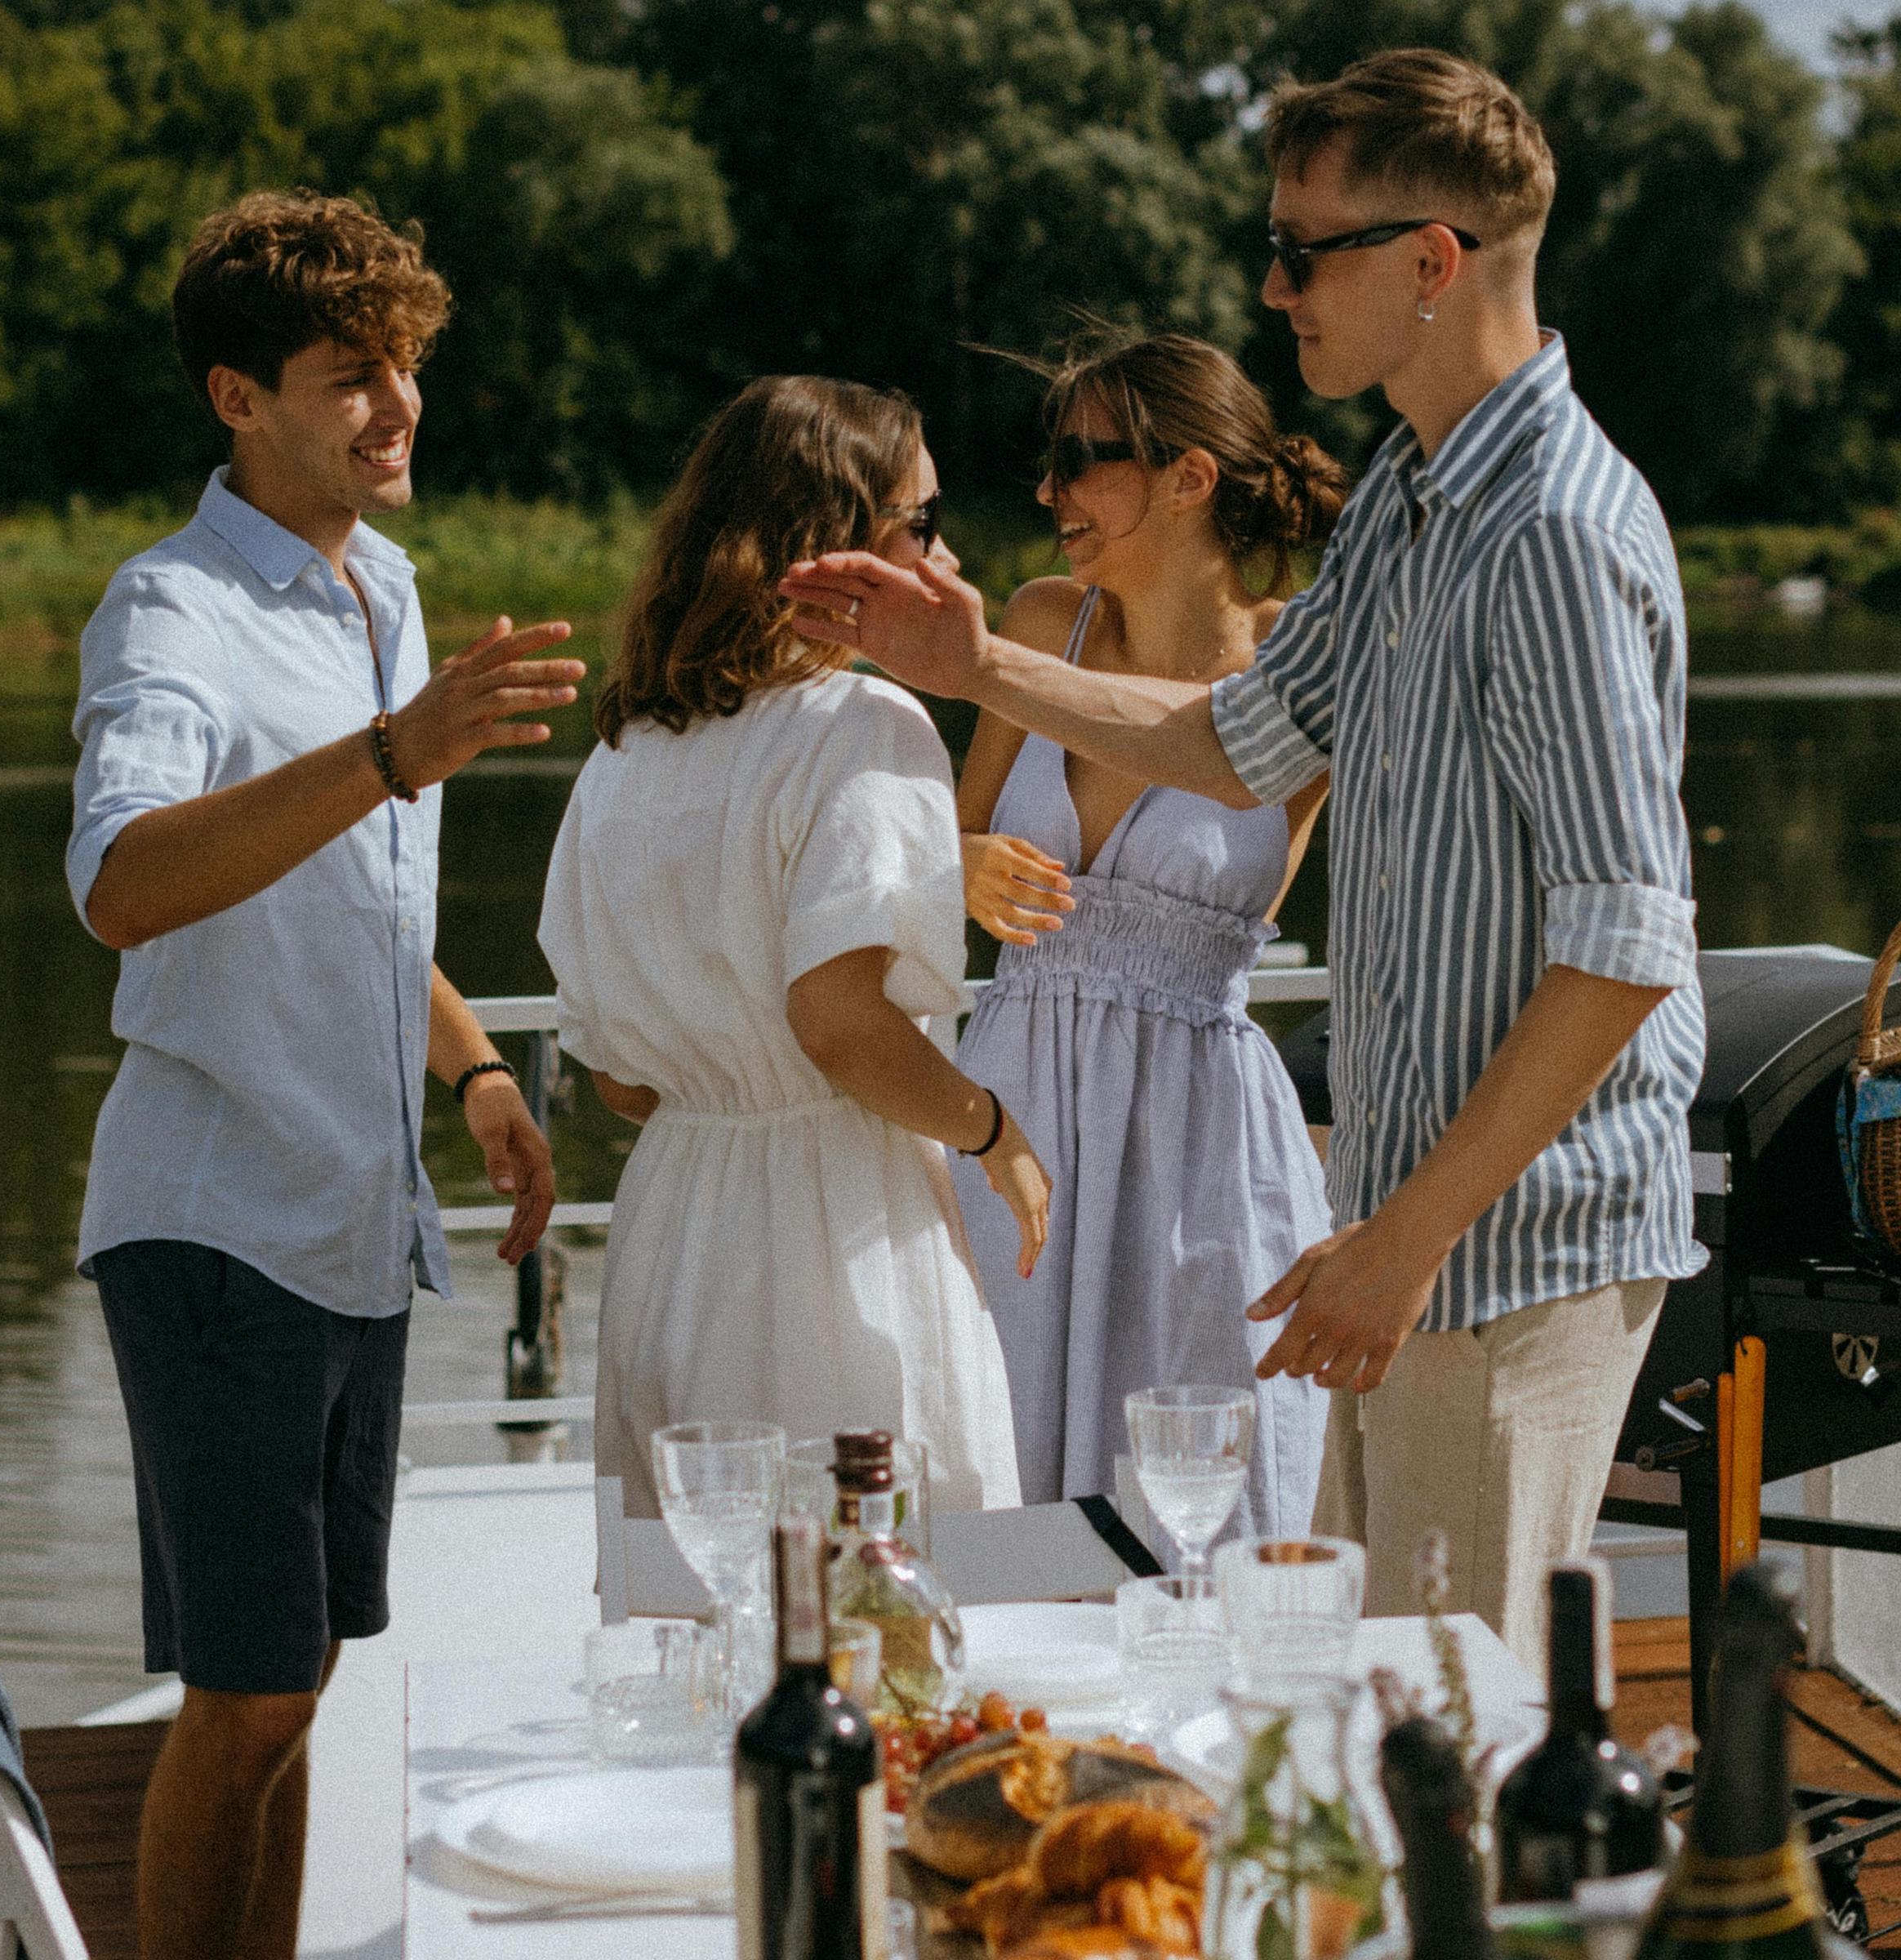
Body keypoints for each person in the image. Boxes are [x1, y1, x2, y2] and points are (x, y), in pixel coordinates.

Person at [781, 48, 1707, 1680]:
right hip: (1408, 1245)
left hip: (1497, 1258)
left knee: (1456, 1746)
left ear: (1432, 262)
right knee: (1365, 1709)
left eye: (1306, 248)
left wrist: (1404, 1238)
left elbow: (1625, 944)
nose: (1272, 288)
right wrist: (979, 666)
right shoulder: (1415, 505)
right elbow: (1244, 738)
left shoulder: (1553, 529)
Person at [67, 190, 581, 1960]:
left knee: (302, 1687)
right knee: (249, 1698)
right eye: (351, 376)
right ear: (237, 400)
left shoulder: (389, 587)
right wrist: (386, 753)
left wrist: (478, 1078)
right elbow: (125, 886)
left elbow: (360, 905)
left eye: (410, 369)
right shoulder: (170, 611)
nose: (399, 407)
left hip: (353, 1225)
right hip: (217, 1232)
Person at [538, 375, 1041, 1519]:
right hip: (834, 1229)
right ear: (835, 549)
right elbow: (842, 1026)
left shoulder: (624, 756)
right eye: (921, 523)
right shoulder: (865, 726)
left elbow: (618, 1079)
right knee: (880, 1597)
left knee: (702, 1610)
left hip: (674, 1225)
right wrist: (994, 1131)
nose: (945, 554)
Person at [950, 331, 1342, 1526]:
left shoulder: (1299, 656)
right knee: (998, 1464)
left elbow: (1261, 869)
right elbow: (931, 855)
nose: (1047, 491)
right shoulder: (1035, 617)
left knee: (1205, 1501)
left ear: (1189, 477)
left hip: (1196, 1134)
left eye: (1081, 459)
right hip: (1013, 1106)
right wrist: (958, 866)